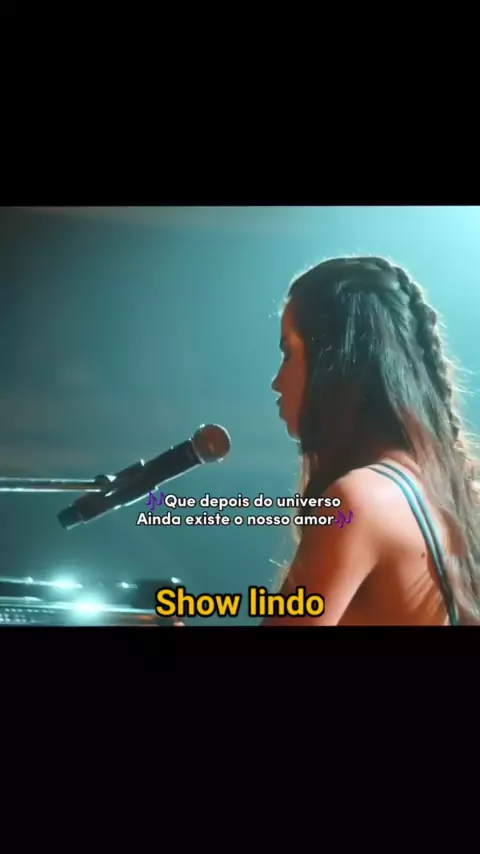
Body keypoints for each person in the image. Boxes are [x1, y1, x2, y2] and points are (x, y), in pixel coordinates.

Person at [263, 255, 480, 626]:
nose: (276, 382)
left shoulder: (358, 501)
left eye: (288, 353)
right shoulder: (451, 493)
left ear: (334, 360)